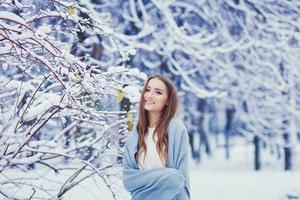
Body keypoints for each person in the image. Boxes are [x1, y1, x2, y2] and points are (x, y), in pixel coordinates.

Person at [122, 75, 190, 200]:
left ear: (168, 101)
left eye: (158, 92)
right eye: (147, 90)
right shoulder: (134, 137)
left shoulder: (176, 130)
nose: (149, 95)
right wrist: (167, 176)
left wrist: (145, 182)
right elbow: (128, 181)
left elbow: (180, 180)